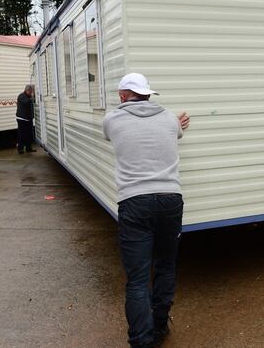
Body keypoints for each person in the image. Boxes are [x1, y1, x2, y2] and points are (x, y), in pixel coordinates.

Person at [102, 73, 191, 347]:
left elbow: (116, 136)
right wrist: (176, 123)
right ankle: (160, 327)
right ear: (149, 94)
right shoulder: (168, 119)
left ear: (122, 96)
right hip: (170, 199)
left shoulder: (112, 120)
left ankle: (142, 341)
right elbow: (175, 131)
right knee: (165, 266)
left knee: (138, 278)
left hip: (134, 202)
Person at [15, 85, 36, 153]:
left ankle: (28, 148)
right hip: (22, 119)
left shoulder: (28, 96)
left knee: (29, 134)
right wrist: (32, 97)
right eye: (31, 91)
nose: (31, 93)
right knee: (22, 135)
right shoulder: (22, 96)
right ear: (27, 90)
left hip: (28, 119)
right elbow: (27, 102)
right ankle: (20, 149)